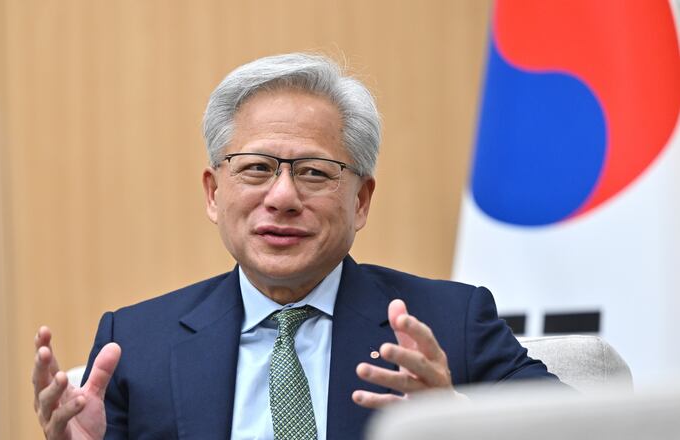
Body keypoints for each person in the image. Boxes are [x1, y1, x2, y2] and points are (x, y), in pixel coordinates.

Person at [32, 52, 559, 440]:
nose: (281, 197)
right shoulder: (135, 343)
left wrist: (456, 421)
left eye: (313, 172)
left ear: (361, 201)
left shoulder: (451, 323)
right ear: (214, 194)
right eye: (257, 169)